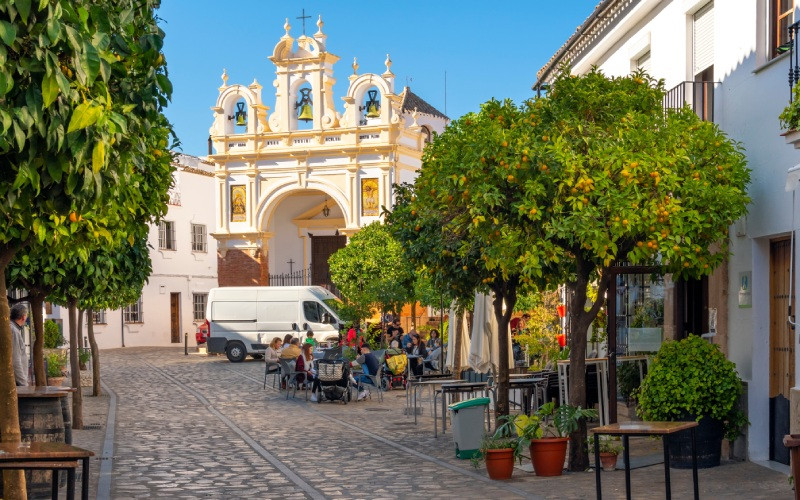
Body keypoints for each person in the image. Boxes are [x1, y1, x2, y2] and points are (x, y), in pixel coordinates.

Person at [10, 303, 29, 386]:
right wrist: (24, 384)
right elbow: (15, 359)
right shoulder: (13, 331)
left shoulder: (13, 329)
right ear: (24, 317)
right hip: (16, 382)